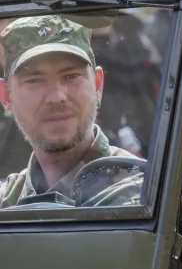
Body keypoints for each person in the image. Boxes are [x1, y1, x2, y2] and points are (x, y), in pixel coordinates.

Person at [0, 16, 142, 208]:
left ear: (97, 84)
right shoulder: (6, 202)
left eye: (72, 76)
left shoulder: (147, 196)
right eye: (34, 80)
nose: (57, 96)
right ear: (6, 95)